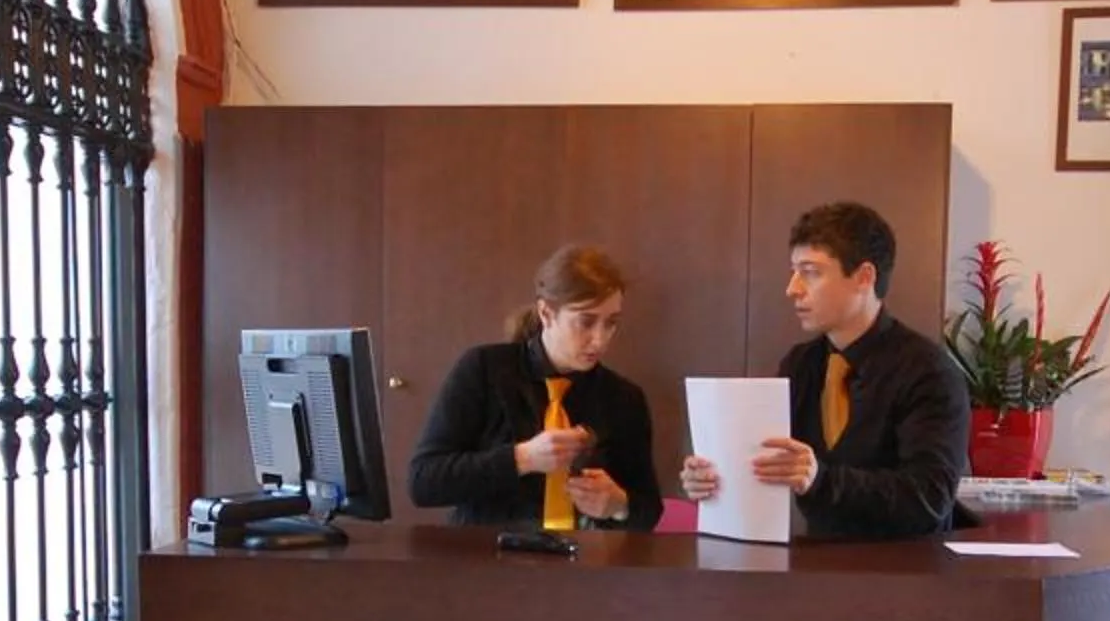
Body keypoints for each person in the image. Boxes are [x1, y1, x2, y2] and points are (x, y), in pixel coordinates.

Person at [679, 200, 968, 540]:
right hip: (815, 561)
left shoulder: (929, 372)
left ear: (863, 277)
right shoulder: (801, 364)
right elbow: (768, 463)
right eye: (794, 271)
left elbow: (929, 499)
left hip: (903, 566)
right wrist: (714, 478)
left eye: (810, 272)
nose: (792, 289)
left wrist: (820, 479)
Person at [408, 243, 664, 531]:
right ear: (546, 313)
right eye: (586, 322)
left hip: (583, 555)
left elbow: (650, 511)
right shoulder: (484, 369)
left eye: (611, 323)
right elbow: (423, 482)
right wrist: (522, 458)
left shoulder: (623, 398)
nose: (600, 339)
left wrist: (619, 505)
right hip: (487, 551)